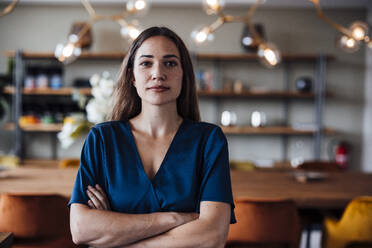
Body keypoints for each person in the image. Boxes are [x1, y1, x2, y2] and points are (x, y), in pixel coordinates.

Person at [69, 26, 236, 248]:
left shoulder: (209, 140)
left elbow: (212, 236)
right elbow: (81, 229)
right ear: (132, 77)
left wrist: (118, 236)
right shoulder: (102, 139)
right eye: (146, 63)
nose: (158, 73)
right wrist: (175, 219)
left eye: (170, 63)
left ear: (183, 75)